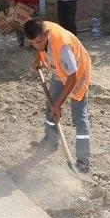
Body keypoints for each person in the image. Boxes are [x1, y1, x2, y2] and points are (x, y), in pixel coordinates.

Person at [23, 18, 92, 173]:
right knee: (50, 106)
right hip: (59, 71)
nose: (38, 45)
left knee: (79, 117)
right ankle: (51, 141)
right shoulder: (40, 30)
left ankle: (83, 162)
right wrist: (38, 58)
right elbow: (41, 47)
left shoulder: (63, 48)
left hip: (78, 73)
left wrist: (58, 105)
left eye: (40, 41)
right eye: (33, 43)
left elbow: (72, 77)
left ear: (46, 33)